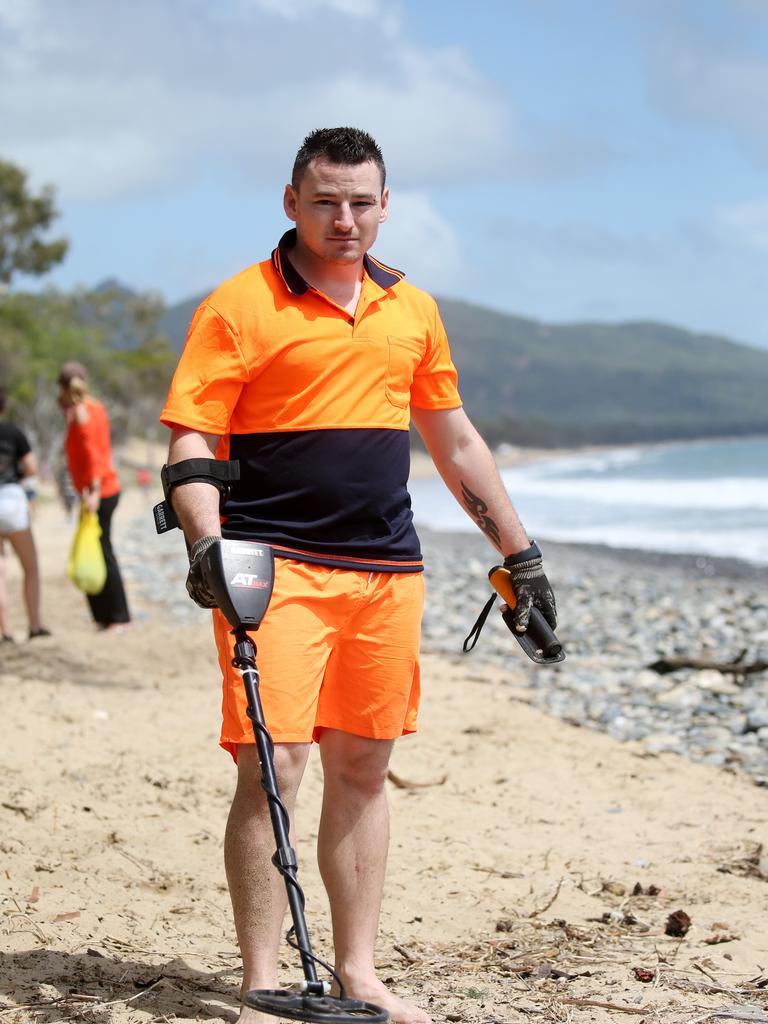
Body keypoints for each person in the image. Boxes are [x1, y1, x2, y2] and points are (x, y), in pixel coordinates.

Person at [160, 127, 557, 1024]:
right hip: (272, 567)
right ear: (292, 202)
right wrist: (207, 548)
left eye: (362, 202)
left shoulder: (411, 309)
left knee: (364, 768)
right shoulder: (238, 304)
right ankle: (262, 981)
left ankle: (359, 971)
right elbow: (189, 441)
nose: (345, 219)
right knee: (276, 765)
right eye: (327, 201)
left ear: (386, 205)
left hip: (385, 569)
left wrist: (519, 554)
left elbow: (453, 441)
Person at [57, 362, 131, 630]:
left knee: (102, 550)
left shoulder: (81, 412)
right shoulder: (95, 406)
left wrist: (94, 491)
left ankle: (118, 617)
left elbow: (92, 454)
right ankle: (104, 616)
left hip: (99, 492)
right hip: (102, 489)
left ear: (62, 388)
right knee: (98, 549)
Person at [0, 387, 50, 642]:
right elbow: (31, 468)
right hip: (11, 499)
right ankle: (34, 625)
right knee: (30, 568)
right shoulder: (13, 432)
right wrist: (16, 478)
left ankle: (5, 630)